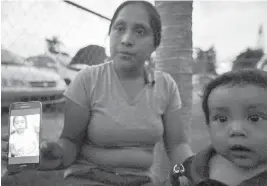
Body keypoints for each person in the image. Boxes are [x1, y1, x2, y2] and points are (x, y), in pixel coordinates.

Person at [2, 1, 193, 185]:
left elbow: (177, 145)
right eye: (119, 29)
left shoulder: (165, 85)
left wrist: (195, 172)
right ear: (110, 36)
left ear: (155, 43)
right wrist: (52, 153)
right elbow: (69, 143)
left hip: (141, 180)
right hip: (88, 177)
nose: (126, 39)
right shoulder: (87, 79)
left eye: (140, 31)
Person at [170, 69, 267, 186]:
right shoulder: (188, 171)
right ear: (208, 126)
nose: (236, 130)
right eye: (222, 119)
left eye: (255, 118)